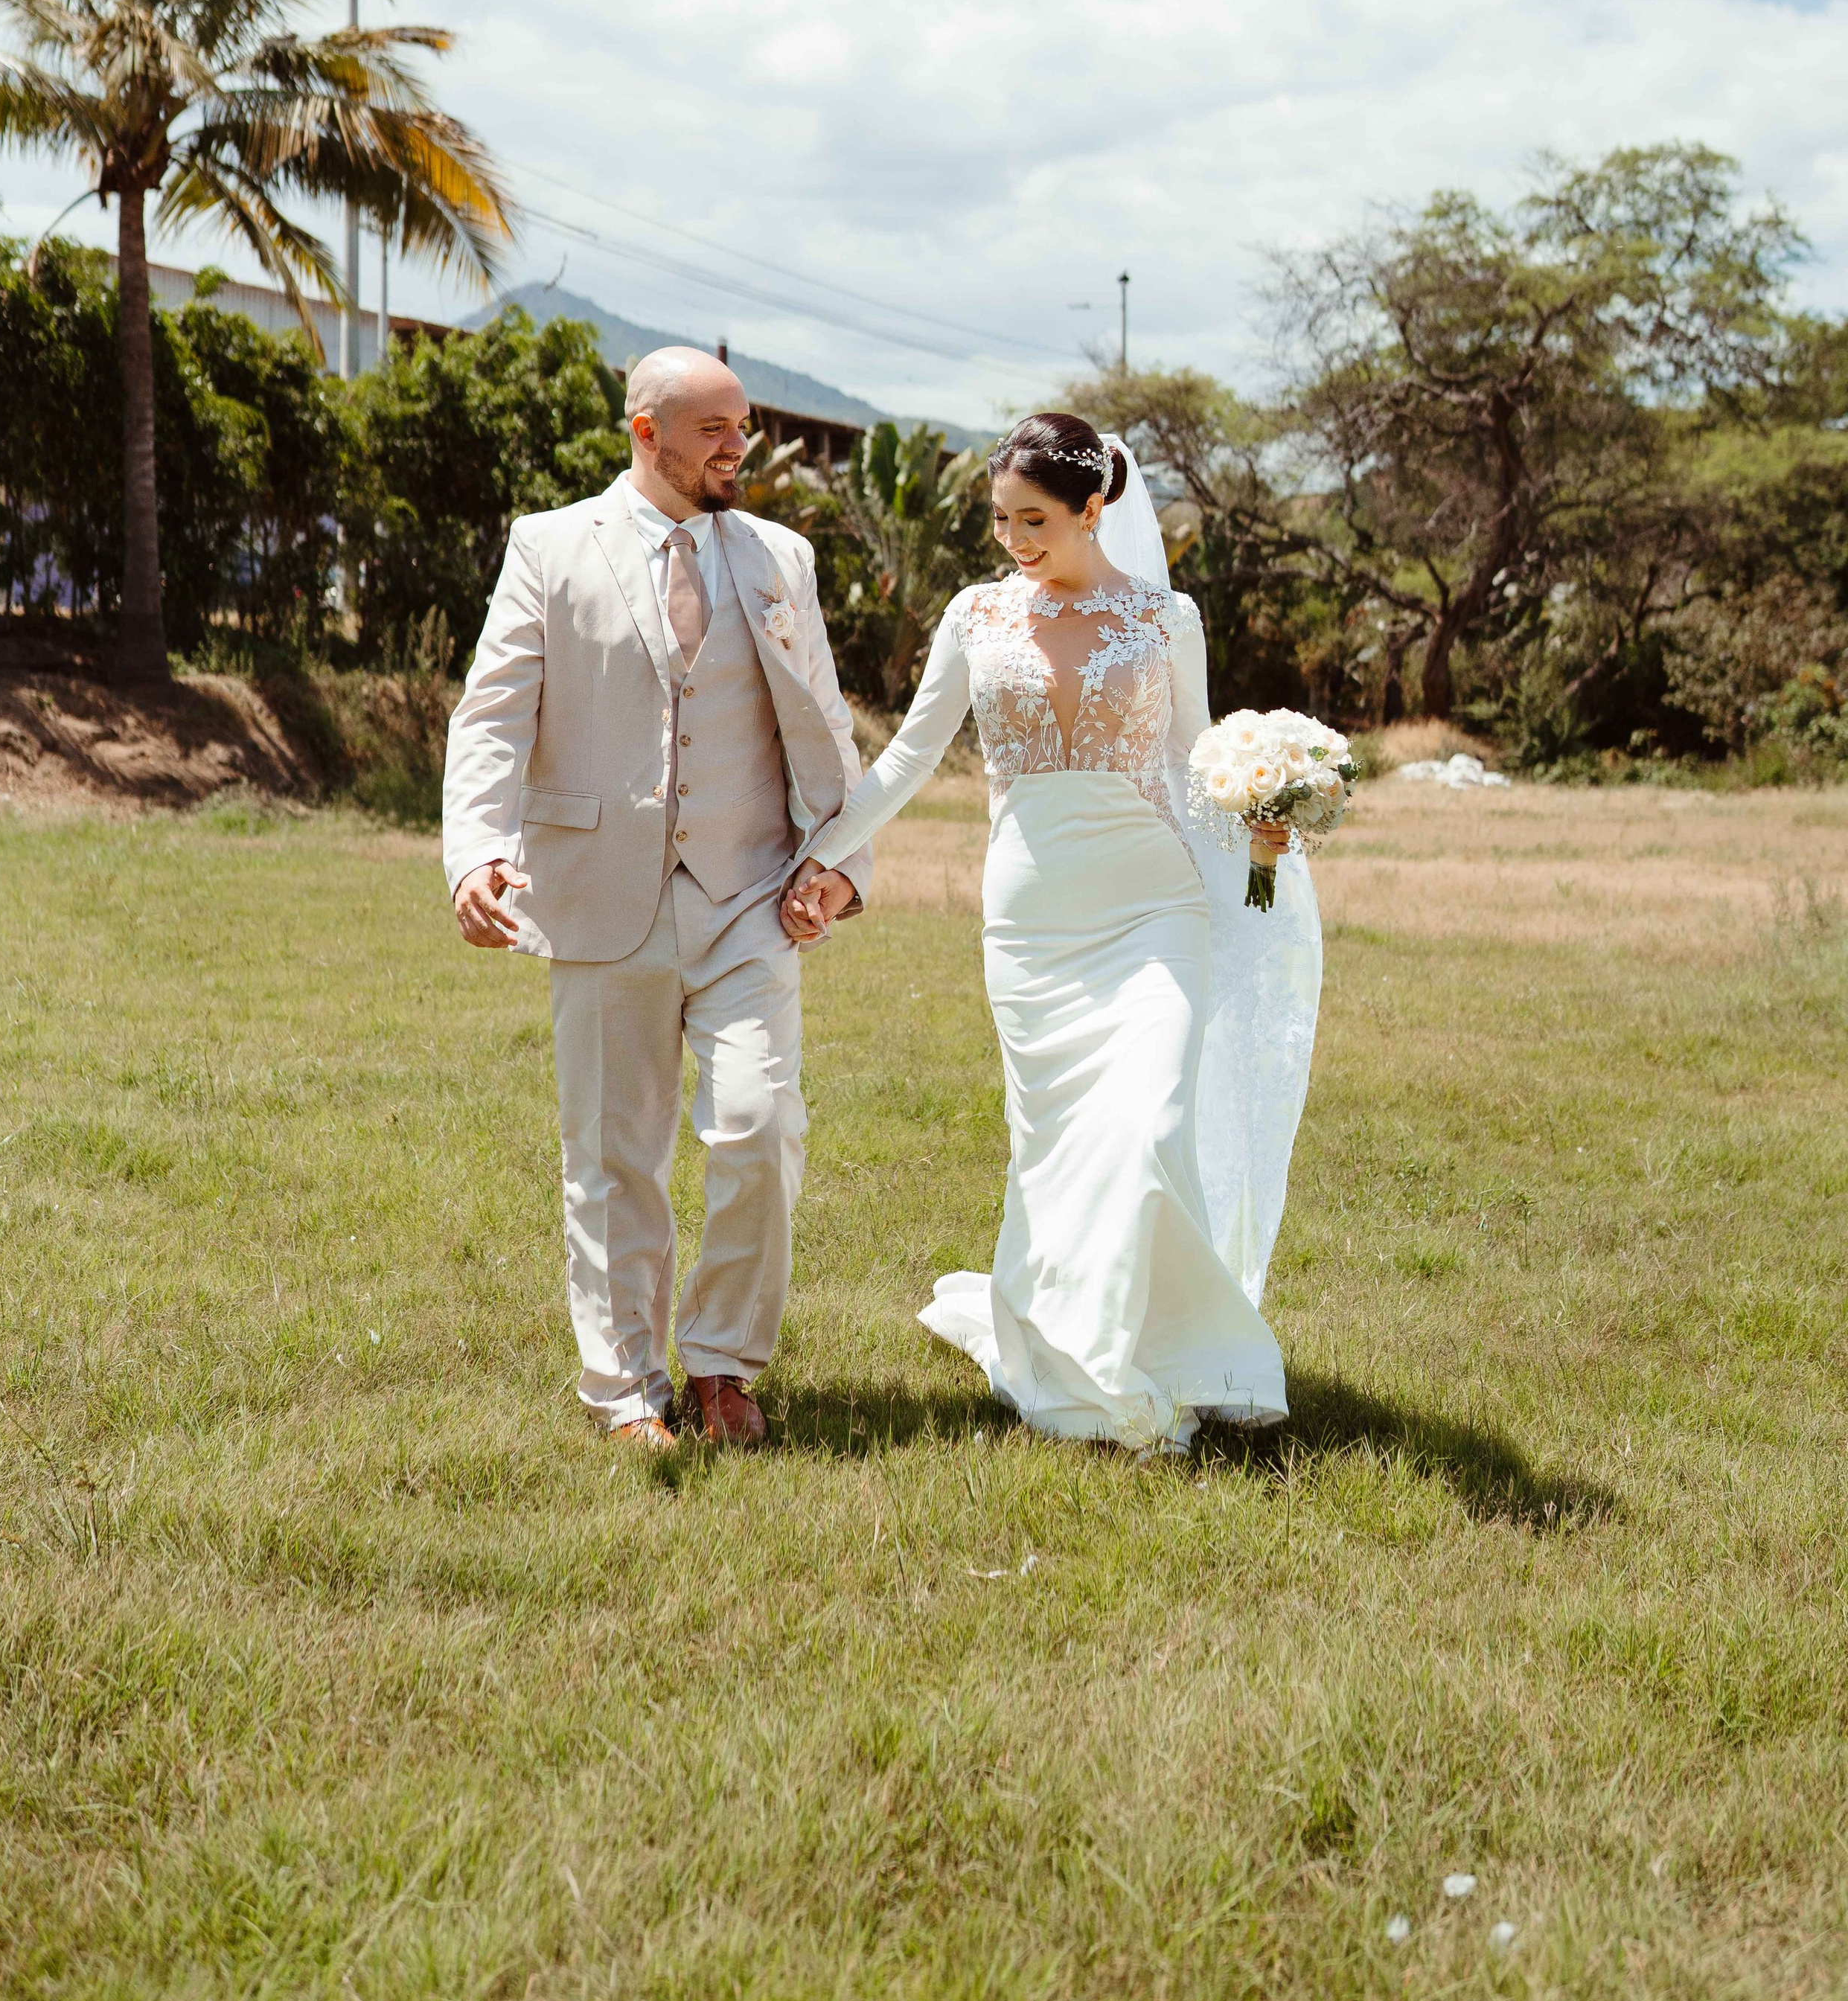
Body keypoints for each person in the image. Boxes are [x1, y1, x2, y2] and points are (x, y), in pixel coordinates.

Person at [781, 412, 1323, 1451]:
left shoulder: (1169, 620)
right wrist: (824, 854)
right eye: (999, 520)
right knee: (1055, 1144)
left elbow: (1198, 762)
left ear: (1094, 508)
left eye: (1034, 519)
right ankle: (1072, 1344)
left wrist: (1264, 836)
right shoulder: (976, 617)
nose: (1015, 540)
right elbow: (904, 762)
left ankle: (1164, 1353)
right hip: (1031, 921)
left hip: (1154, 907)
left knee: (1151, 1124)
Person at [442, 346, 871, 1449]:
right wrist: (476, 851)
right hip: (595, 892)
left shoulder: (782, 557)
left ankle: (722, 1366)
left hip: (749, 895)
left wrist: (840, 862)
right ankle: (625, 1389)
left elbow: (822, 722)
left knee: (760, 1126)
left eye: (742, 425)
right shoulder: (549, 545)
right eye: (716, 429)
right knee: (611, 1154)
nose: (740, 445)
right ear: (647, 432)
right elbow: (493, 714)